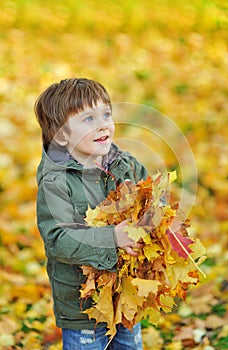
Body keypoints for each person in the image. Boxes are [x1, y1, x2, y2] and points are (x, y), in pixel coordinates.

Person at [35, 78, 148, 349]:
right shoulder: (56, 182)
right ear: (62, 135)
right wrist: (113, 238)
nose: (103, 124)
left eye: (106, 114)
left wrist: (148, 227)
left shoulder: (126, 165)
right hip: (82, 305)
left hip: (126, 291)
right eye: (88, 119)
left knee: (129, 345)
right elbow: (58, 239)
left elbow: (152, 201)